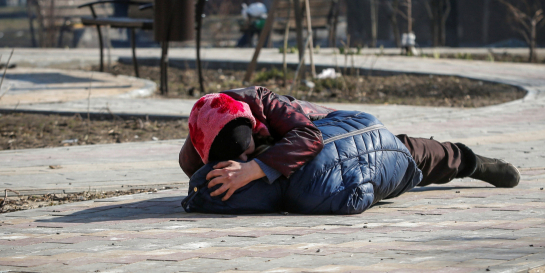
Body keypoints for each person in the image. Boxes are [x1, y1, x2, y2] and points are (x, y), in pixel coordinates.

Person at [179, 87, 520, 208]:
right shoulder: (193, 154)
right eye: (235, 158)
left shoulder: (263, 102)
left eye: (247, 149)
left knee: (400, 150)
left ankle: (469, 162)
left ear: (253, 126)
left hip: (323, 129)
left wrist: (254, 169)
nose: (243, 158)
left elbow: (309, 138)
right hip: (295, 159)